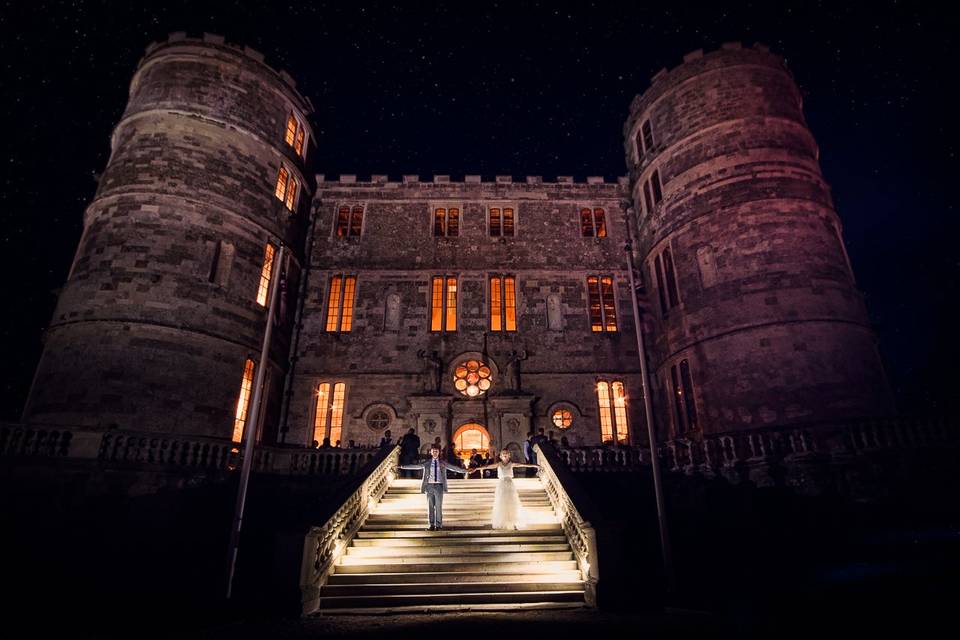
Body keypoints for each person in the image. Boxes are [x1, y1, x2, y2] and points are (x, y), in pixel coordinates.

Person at [397, 444, 469, 530]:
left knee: (438, 506)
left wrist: (466, 470)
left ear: (439, 453)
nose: (435, 453)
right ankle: (431, 525)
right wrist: (401, 466)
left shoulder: (442, 463)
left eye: (437, 451)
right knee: (430, 506)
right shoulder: (427, 463)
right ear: (431, 452)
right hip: (429, 486)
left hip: (439, 486)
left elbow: (453, 468)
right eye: (433, 451)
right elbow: (416, 466)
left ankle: (438, 525)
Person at [476, 449, 541, 530]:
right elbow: (487, 466)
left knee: (512, 503)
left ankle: (513, 523)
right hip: (502, 485)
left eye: (506, 453)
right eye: (503, 454)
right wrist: (476, 469)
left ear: (509, 455)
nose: (505, 455)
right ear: (500, 456)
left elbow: (522, 465)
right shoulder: (499, 464)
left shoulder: (511, 464)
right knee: (501, 503)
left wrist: (534, 465)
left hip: (510, 485)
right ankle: (502, 522)